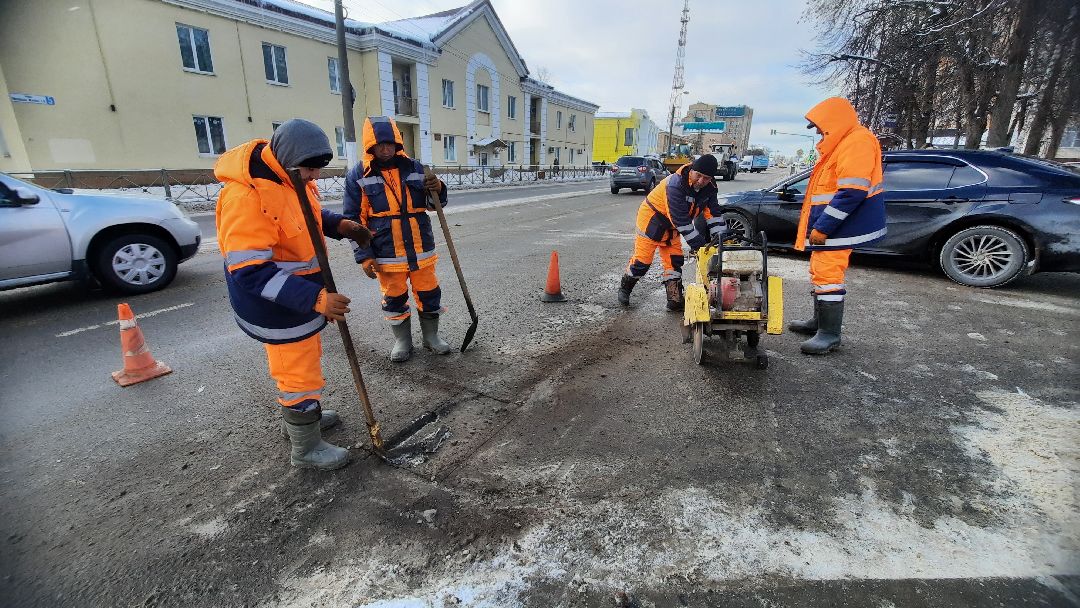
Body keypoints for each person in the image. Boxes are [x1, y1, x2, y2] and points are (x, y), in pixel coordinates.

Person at [215, 118, 373, 470]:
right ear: (287, 160)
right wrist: (317, 300)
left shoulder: (288, 179)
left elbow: (306, 216)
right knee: (298, 375)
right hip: (277, 310)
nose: (314, 177)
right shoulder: (247, 197)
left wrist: (340, 225)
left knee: (304, 364)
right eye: (309, 170)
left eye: (318, 170)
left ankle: (302, 419)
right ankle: (306, 447)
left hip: (297, 303)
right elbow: (250, 270)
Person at [343, 116, 450, 363]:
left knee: (429, 292)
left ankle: (431, 337)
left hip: (421, 248)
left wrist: (439, 188)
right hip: (386, 252)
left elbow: (435, 204)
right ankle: (403, 340)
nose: (385, 149)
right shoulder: (358, 175)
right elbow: (353, 221)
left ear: (397, 144)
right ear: (370, 146)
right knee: (394, 298)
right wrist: (364, 256)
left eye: (390, 144)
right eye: (379, 145)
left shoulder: (415, 168)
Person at [789, 97, 887, 355]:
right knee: (819, 271)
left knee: (828, 274)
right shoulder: (844, 143)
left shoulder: (857, 141)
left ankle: (829, 334)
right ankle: (820, 323)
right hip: (836, 226)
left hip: (839, 227)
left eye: (820, 128)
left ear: (832, 122)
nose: (819, 133)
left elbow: (852, 191)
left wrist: (824, 227)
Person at [617, 154, 727, 310]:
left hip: (672, 227)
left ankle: (674, 299)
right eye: (699, 175)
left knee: (674, 262)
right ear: (691, 170)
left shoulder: (710, 187)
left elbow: (713, 214)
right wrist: (699, 245)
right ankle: (625, 289)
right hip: (651, 221)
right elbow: (680, 220)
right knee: (642, 262)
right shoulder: (675, 184)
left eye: (707, 178)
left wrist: (722, 239)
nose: (701, 181)